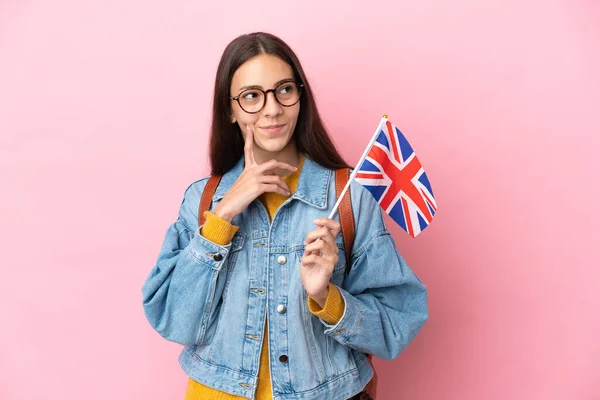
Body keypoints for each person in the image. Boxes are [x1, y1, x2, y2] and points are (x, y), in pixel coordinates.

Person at [142, 31, 428, 400]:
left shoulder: (349, 199)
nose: (272, 109)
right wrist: (225, 212)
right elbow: (173, 319)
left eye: (284, 90)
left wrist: (327, 296)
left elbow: (398, 322)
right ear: (230, 109)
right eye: (251, 96)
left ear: (300, 96)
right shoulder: (203, 198)